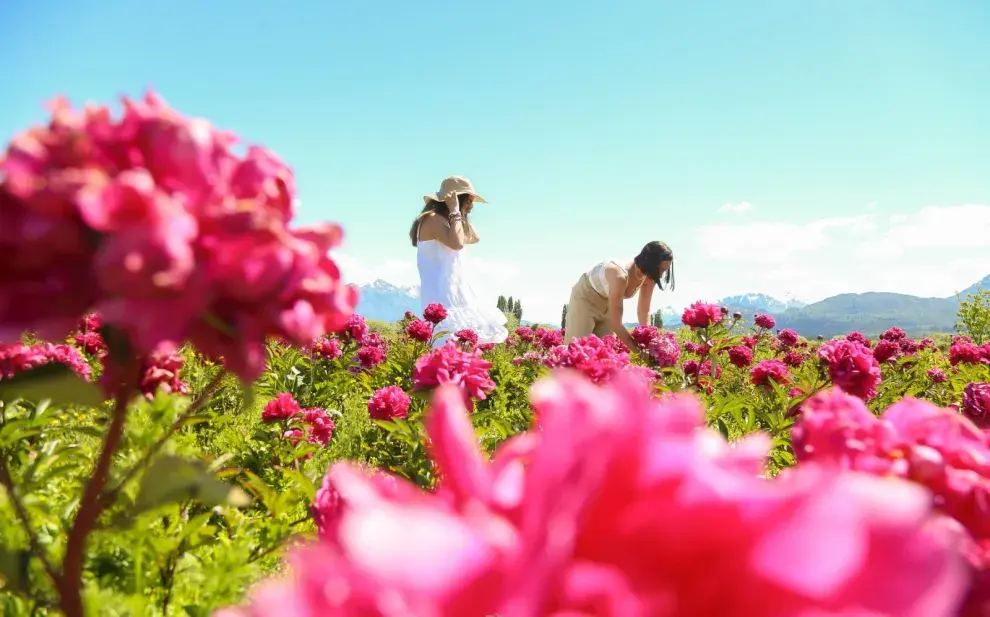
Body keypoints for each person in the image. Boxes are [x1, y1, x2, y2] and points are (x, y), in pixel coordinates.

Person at [410, 175, 509, 346]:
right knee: (449, 347)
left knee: (465, 349)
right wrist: (455, 210)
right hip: (442, 295)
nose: (471, 206)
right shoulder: (432, 218)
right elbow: (457, 244)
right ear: (454, 200)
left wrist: (459, 214)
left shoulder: (448, 222)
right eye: (468, 201)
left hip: (453, 292)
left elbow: (475, 237)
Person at [564, 241, 674, 350]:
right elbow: (616, 323)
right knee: (575, 349)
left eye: (665, 271)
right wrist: (638, 350)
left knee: (607, 353)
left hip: (608, 304)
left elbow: (643, 312)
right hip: (585, 298)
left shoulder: (649, 279)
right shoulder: (620, 275)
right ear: (650, 263)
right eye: (661, 270)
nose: (661, 275)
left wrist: (649, 341)